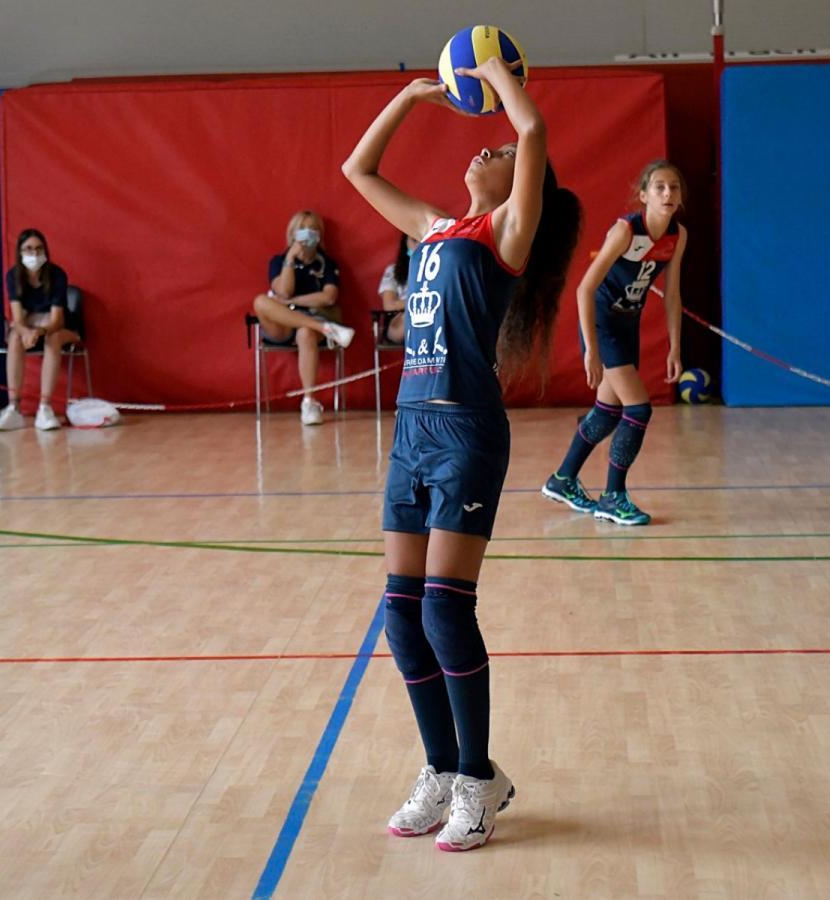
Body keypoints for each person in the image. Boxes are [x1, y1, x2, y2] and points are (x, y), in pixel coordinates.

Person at [342, 58, 581, 850]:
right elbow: (358, 168)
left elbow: (534, 128)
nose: (485, 150)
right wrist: (409, 98)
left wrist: (494, 72)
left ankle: (480, 778)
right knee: (401, 618)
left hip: (466, 431)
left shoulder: (506, 235)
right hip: (411, 429)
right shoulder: (434, 227)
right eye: (484, 147)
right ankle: (442, 768)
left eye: (498, 152)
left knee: (446, 608)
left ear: (523, 186)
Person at [541, 161, 687, 525]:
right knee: (637, 409)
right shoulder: (626, 230)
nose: (668, 193)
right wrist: (591, 348)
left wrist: (675, 347)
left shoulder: (677, 235)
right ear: (643, 196)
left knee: (607, 412)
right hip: (602, 321)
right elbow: (584, 288)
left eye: (674, 188)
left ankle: (562, 479)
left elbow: (672, 295)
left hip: (627, 324)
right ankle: (613, 497)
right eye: (659, 187)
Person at [251, 210, 355, 425]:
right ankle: (327, 328)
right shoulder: (279, 260)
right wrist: (290, 258)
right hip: (283, 324)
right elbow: (283, 292)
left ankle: (309, 402)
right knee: (260, 302)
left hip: (310, 322)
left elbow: (328, 297)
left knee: (306, 332)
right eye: (303, 229)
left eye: (314, 228)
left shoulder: (326, 263)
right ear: (293, 233)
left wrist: (295, 302)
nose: (309, 233)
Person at [0, 228, 80, 431]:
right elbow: (17, 318)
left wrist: (37, 331)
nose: (34, 254)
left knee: (54, 338)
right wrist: (25, 331)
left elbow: (57, 320)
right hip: (30, 327)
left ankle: (45, 407)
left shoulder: (57, 275)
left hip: (58, 329)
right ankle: (14, 408)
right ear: (20, 252)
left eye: (39, 249)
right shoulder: (13, 276)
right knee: (14, 336)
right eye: (28, 249)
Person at [377, 233, 417, 343]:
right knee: (412, 315)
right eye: (414, 240)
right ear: (405, 243)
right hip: (400, 319)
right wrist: (418, 300)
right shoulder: (393, 270)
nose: (419, 245)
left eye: (422, 240)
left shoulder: (440, 269)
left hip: (433, 315)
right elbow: (389, 305)